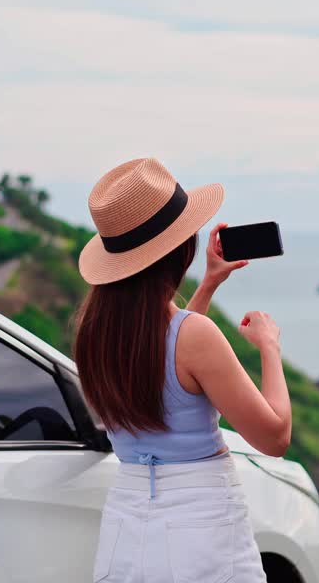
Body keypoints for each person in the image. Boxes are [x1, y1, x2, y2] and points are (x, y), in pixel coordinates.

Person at [73, 158, 291, 583]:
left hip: (127, 521)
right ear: (180, 251)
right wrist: (269, 348)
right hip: (200, 524)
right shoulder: (196, 336)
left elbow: (166, 358)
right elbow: (274, 437)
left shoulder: (93, 333)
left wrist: (208, 285)